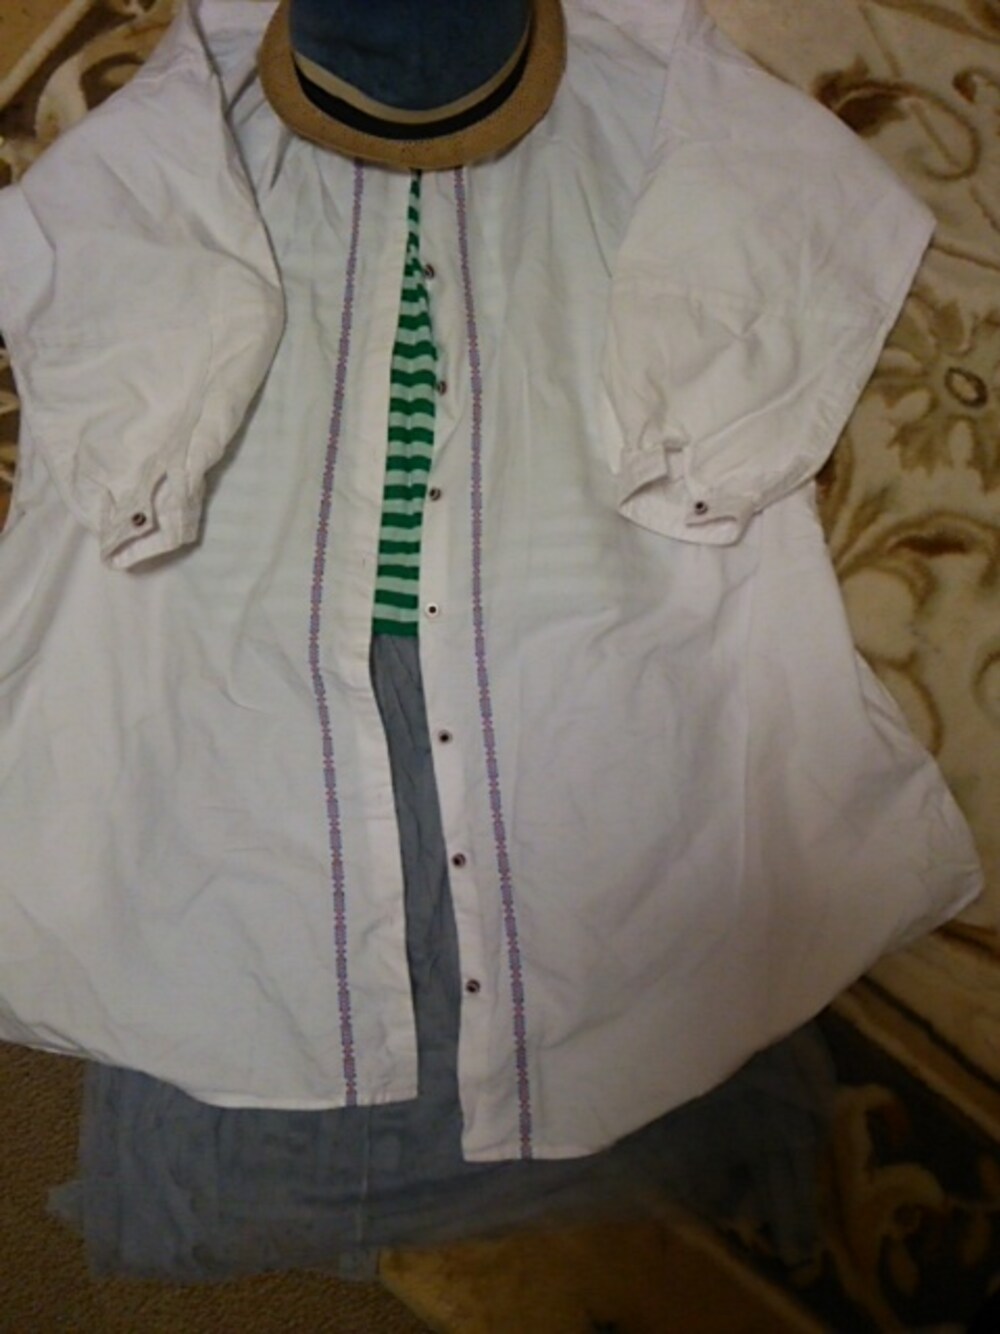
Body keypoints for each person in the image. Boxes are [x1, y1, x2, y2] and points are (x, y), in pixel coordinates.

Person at [0, 0, 982, 1276]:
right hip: (229, 647)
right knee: (225, 883)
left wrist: (698, 449)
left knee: (629, 836)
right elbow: (89, 248)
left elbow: (814, 206)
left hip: (584, 620)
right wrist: (145, 452)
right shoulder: (208, 83)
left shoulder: (645, 65)